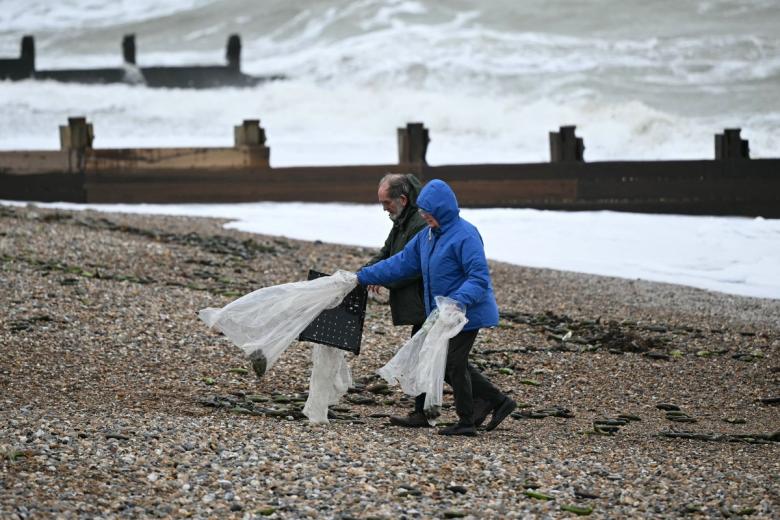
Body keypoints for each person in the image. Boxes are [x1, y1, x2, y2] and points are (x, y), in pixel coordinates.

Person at [358, 179, 516, 436]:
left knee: (452, 363)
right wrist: (365, 276)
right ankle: (494, 403)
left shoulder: (466, 234)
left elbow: (478, 278)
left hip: (467, 313)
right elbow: (401, 263)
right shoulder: (427, 237)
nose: (425, 218)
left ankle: (466, 422)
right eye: (423, 214)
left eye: (429, 215)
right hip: (444, 313)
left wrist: (456, 302)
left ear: (443, 211)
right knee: (446, 362)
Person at [364, 173, 430, 427]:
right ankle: (421, 412)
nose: (384, 209)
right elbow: (387, 252)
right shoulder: (401, 220)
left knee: (434, 358)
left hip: (425, 300)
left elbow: (408, 267)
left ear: (402, 198)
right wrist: (363, 273)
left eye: (386, 203)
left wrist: (379, 278)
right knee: (426, 355)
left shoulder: (419, 224)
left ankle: (492, 399)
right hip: (416, 301)